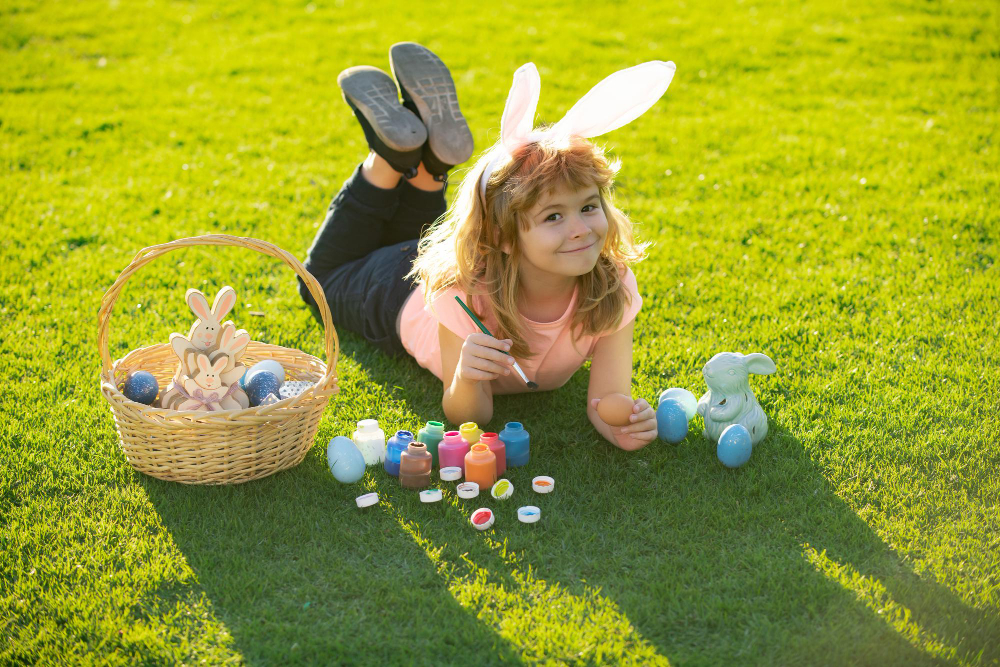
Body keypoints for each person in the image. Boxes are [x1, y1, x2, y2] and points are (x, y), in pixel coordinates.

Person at [300, 42, 676, 451]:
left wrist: (623, 420)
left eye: (588, 206)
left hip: (437, 254)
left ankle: (424, 161)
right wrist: (466, 372)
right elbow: (468, 415)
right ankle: (391, 158)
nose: (581, 229)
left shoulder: (612, 284)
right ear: (502, 236)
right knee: (319, 282)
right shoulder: (463, 292)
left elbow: (606, 399)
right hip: (394, 291)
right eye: (553, 216)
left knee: (407, 233)